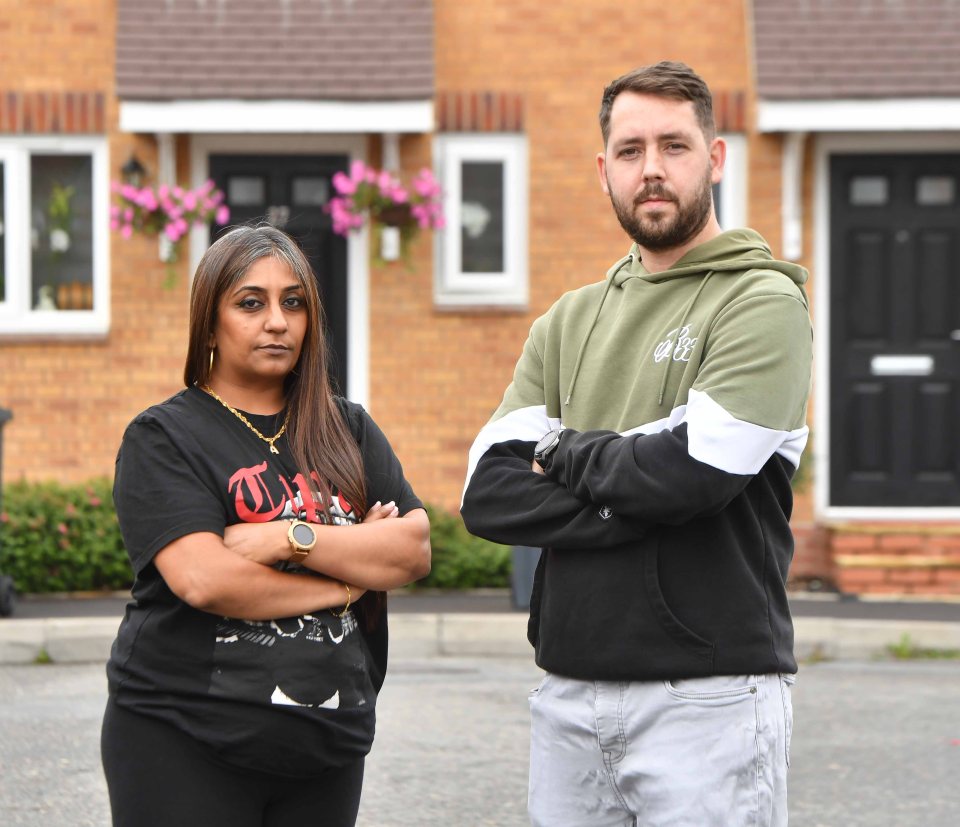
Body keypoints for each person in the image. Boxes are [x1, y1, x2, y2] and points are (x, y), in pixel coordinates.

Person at [461, 61, 812, 827]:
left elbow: (696, 476)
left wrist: (562, 452)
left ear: (715, 158)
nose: (651, 169)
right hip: (568, 692)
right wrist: (638, 482)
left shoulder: (763, 300)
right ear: (604, 169)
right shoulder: (566, 320)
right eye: (629, 150)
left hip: (710, 697)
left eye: (674, 146)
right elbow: (486, 492)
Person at [101, 224, 430, 827]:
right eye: (251, 303)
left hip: (328, 741)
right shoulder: (164, 437)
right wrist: (350, 578)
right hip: (182, 737)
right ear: (209, 322)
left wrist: (288, 538)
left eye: (293, 302)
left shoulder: (346, 429)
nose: (277, 321)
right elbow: (206, 579)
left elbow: (411, 548)